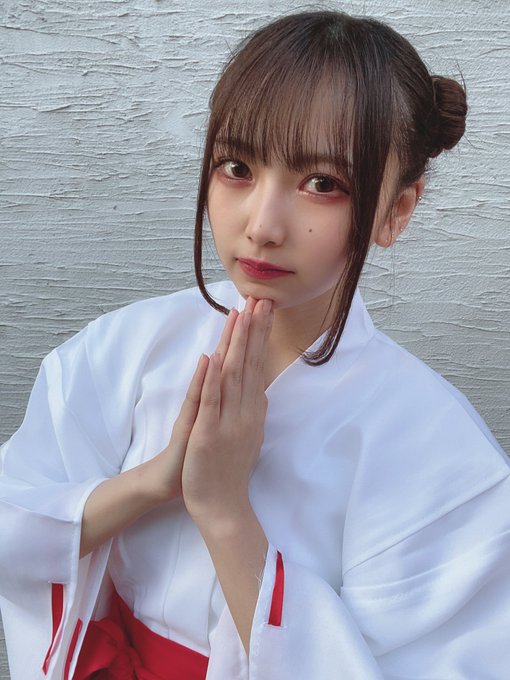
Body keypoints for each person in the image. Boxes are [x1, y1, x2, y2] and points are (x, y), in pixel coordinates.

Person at [0, 9, 508, 680]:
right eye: (237, 167)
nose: (262, 225)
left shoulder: (441, 454)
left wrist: (224, 511)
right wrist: (153, 482)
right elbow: (13, 526)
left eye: (322, 184)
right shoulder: (121, 350)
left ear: (396, 210)